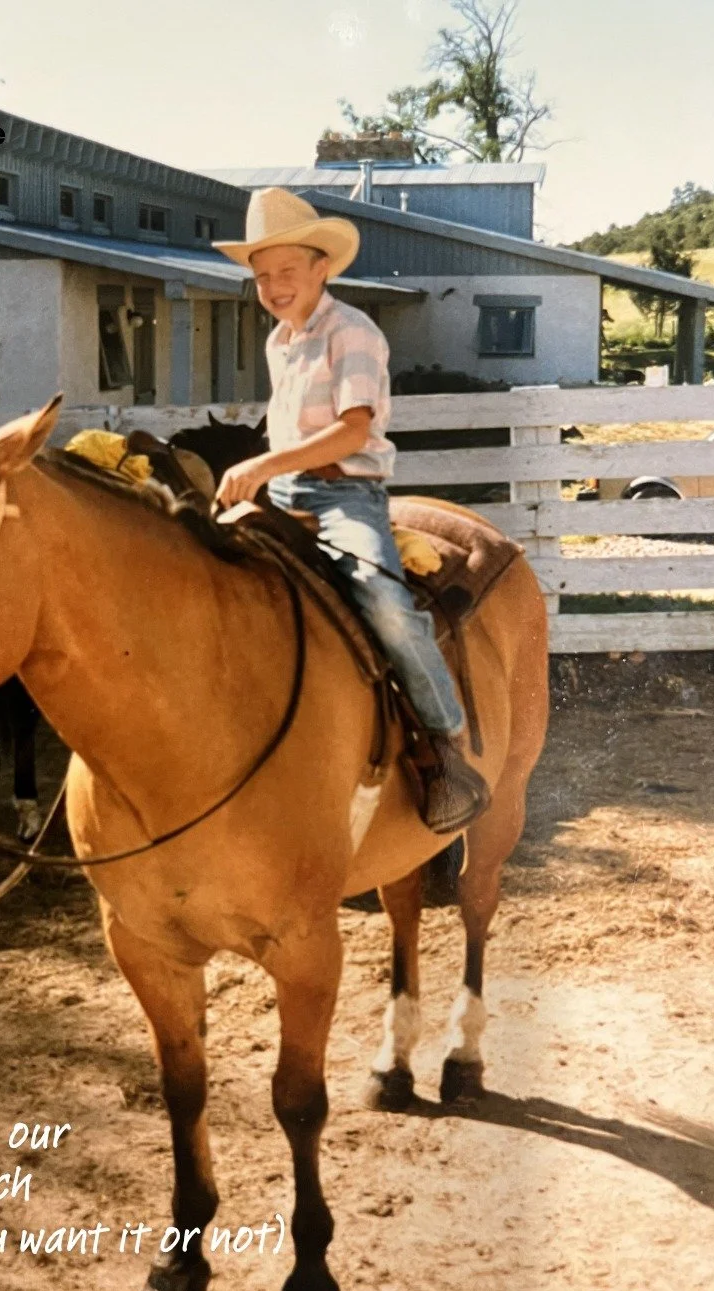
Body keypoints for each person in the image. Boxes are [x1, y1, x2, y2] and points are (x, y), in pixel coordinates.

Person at [212, 187, 490, 834]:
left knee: (385, 601)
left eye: (288, 270)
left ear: (322, 268)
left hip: (344, 496)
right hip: (283, 494)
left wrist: (261, 465)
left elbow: (352, 432)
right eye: (262, 276)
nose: (275, 287)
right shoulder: (280, 341)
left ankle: (446, 745)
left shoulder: (352, 332)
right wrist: (267, 474)